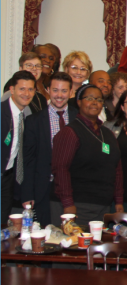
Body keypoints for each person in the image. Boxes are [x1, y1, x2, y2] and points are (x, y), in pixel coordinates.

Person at [52, 85, 124, 225]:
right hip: (76, 207)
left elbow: (117, 169)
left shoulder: (108, 134)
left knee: (99, 246)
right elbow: (60, 169)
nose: (95, 102)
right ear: (79, 102)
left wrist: (119, 201)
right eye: (89, 98)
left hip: (104, 207)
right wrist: (68, 204)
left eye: (98, 99)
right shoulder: (70, 132)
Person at [21, 72, 78, 226]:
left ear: (71, 92)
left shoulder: (79, 118)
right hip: (43, 189)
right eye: (55, 90)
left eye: (64, 91)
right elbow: (28, 160)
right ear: (47, 90)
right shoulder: (34, 121)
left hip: (73, 188)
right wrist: (27, 193)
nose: (59, 95)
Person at [2, 71, 36, 222]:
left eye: (30, 89)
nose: (26, 93)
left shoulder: (26, 117)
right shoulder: (1, 112)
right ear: (12, 89)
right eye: (22, 89)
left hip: (7, 180)